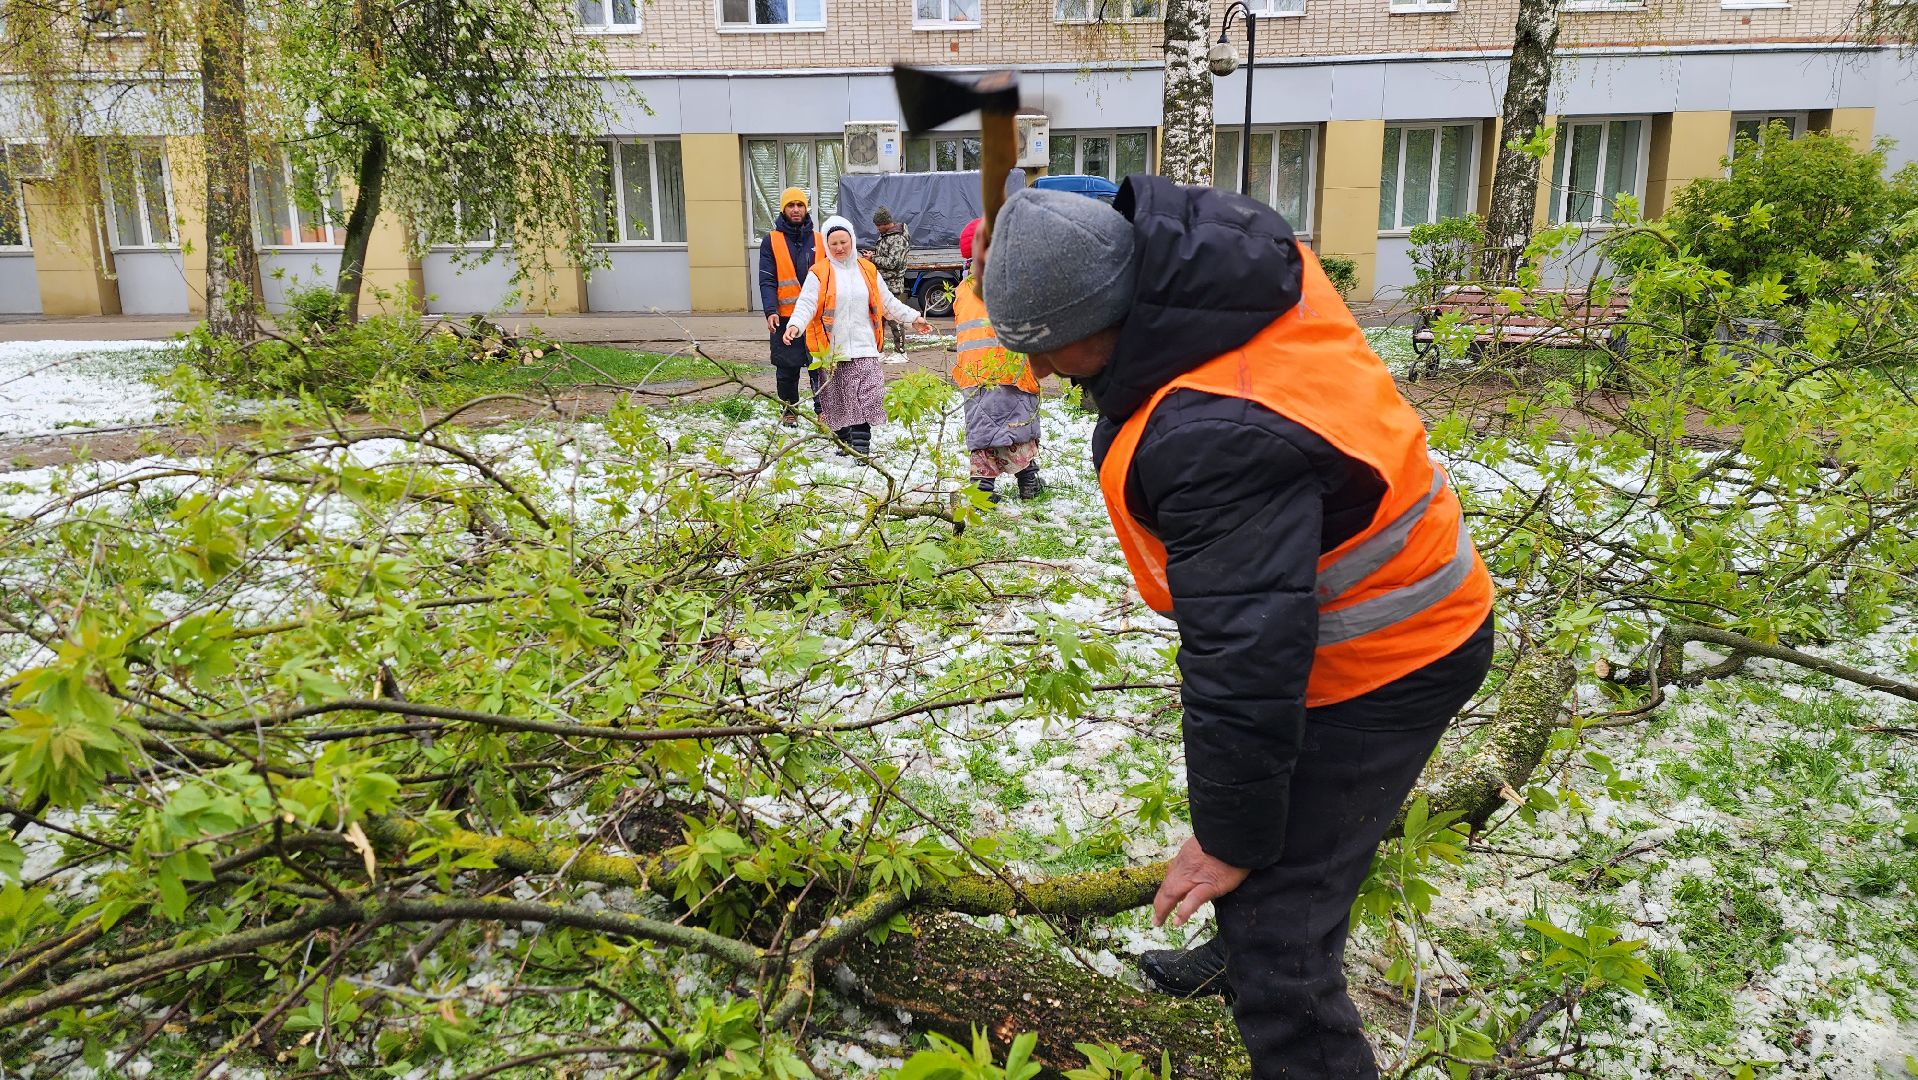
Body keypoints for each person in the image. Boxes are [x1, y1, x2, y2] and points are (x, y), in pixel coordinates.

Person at [981, 177, 1496, 1079]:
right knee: (1267, 834)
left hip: (1388, 655)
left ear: (1106, 308)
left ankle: (1271, 988)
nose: (1042, 376)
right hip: (1360, 611)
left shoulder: (1211, 432)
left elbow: (1248, 661)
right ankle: (1244, 935)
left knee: (1279, 926)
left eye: (1050, 351)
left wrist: (1227, 841)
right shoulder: (1218, 266)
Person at [783, 215, 931, 458]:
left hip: (865, 347)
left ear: (852, 240)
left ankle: (861, 450)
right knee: (839, 401)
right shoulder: (818, 273)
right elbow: (806, 304)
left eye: (844, 242)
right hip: (833, 350)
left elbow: (887, 301)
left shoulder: (868, 269)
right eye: (834, 244)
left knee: (867, 397)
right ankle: (844, 444)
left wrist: (913, 317)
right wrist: (795, 325)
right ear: (827, 246)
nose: (840, 248)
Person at [951, 217, 1044, 503]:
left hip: (977, 376)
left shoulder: (962, 291)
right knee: (1019, 431)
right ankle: (1028, 481)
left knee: (984, 434)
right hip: (1012, 371)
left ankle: (982, 490)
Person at [759, 187, 821, 426]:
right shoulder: (771, 240)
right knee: (787, 368)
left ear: (806, 209)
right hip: (784, 317)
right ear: (783, 210)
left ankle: (822, 411)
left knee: (819, 366)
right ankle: (789, 410)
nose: (796, 209)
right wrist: (770, 310)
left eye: (800, 205)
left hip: (815, 318)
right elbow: (767, 279)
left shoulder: (819, 240)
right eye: (791, 205)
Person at [868, 206, 913, 363]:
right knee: (879, 319)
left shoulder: (897, 239)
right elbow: (885, 257)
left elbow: (894, 263)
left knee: (895, 319)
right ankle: (879, 351)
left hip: (892, 285)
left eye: (878, 225)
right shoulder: (886, 236)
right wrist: (873, 256)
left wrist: (873, 259)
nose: (877, 228)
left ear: (886, 223)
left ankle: (901, 352)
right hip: (882, 284)